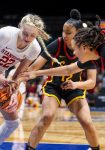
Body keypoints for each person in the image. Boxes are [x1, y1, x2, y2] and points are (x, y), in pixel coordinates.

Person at [21, 23, 105, 150]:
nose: (74, 54)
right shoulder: (95, 58)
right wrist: (36, 73)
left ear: (84, 47)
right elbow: (68, 70)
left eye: (75, 49)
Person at [25, 9, 100, 150]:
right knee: (47, 116)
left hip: (75, 89)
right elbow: (34, 67)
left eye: (68, 32)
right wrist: (18, 79)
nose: (64, 35)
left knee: (87, 121)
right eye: (63, 31)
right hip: (54, 86)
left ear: (78, 33)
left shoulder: (87, 48)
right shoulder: (57, 44)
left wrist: (75, 84)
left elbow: (92, 82)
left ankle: (96, 148)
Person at [0, 14, 49, 144]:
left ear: (38, 34)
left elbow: (19, 74)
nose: (28, 38)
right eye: (25, 33)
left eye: (32, 35)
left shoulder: (35, 49)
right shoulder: (5, 34)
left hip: (1, 75)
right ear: (20, 27)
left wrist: (14, 91)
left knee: (13, 123)